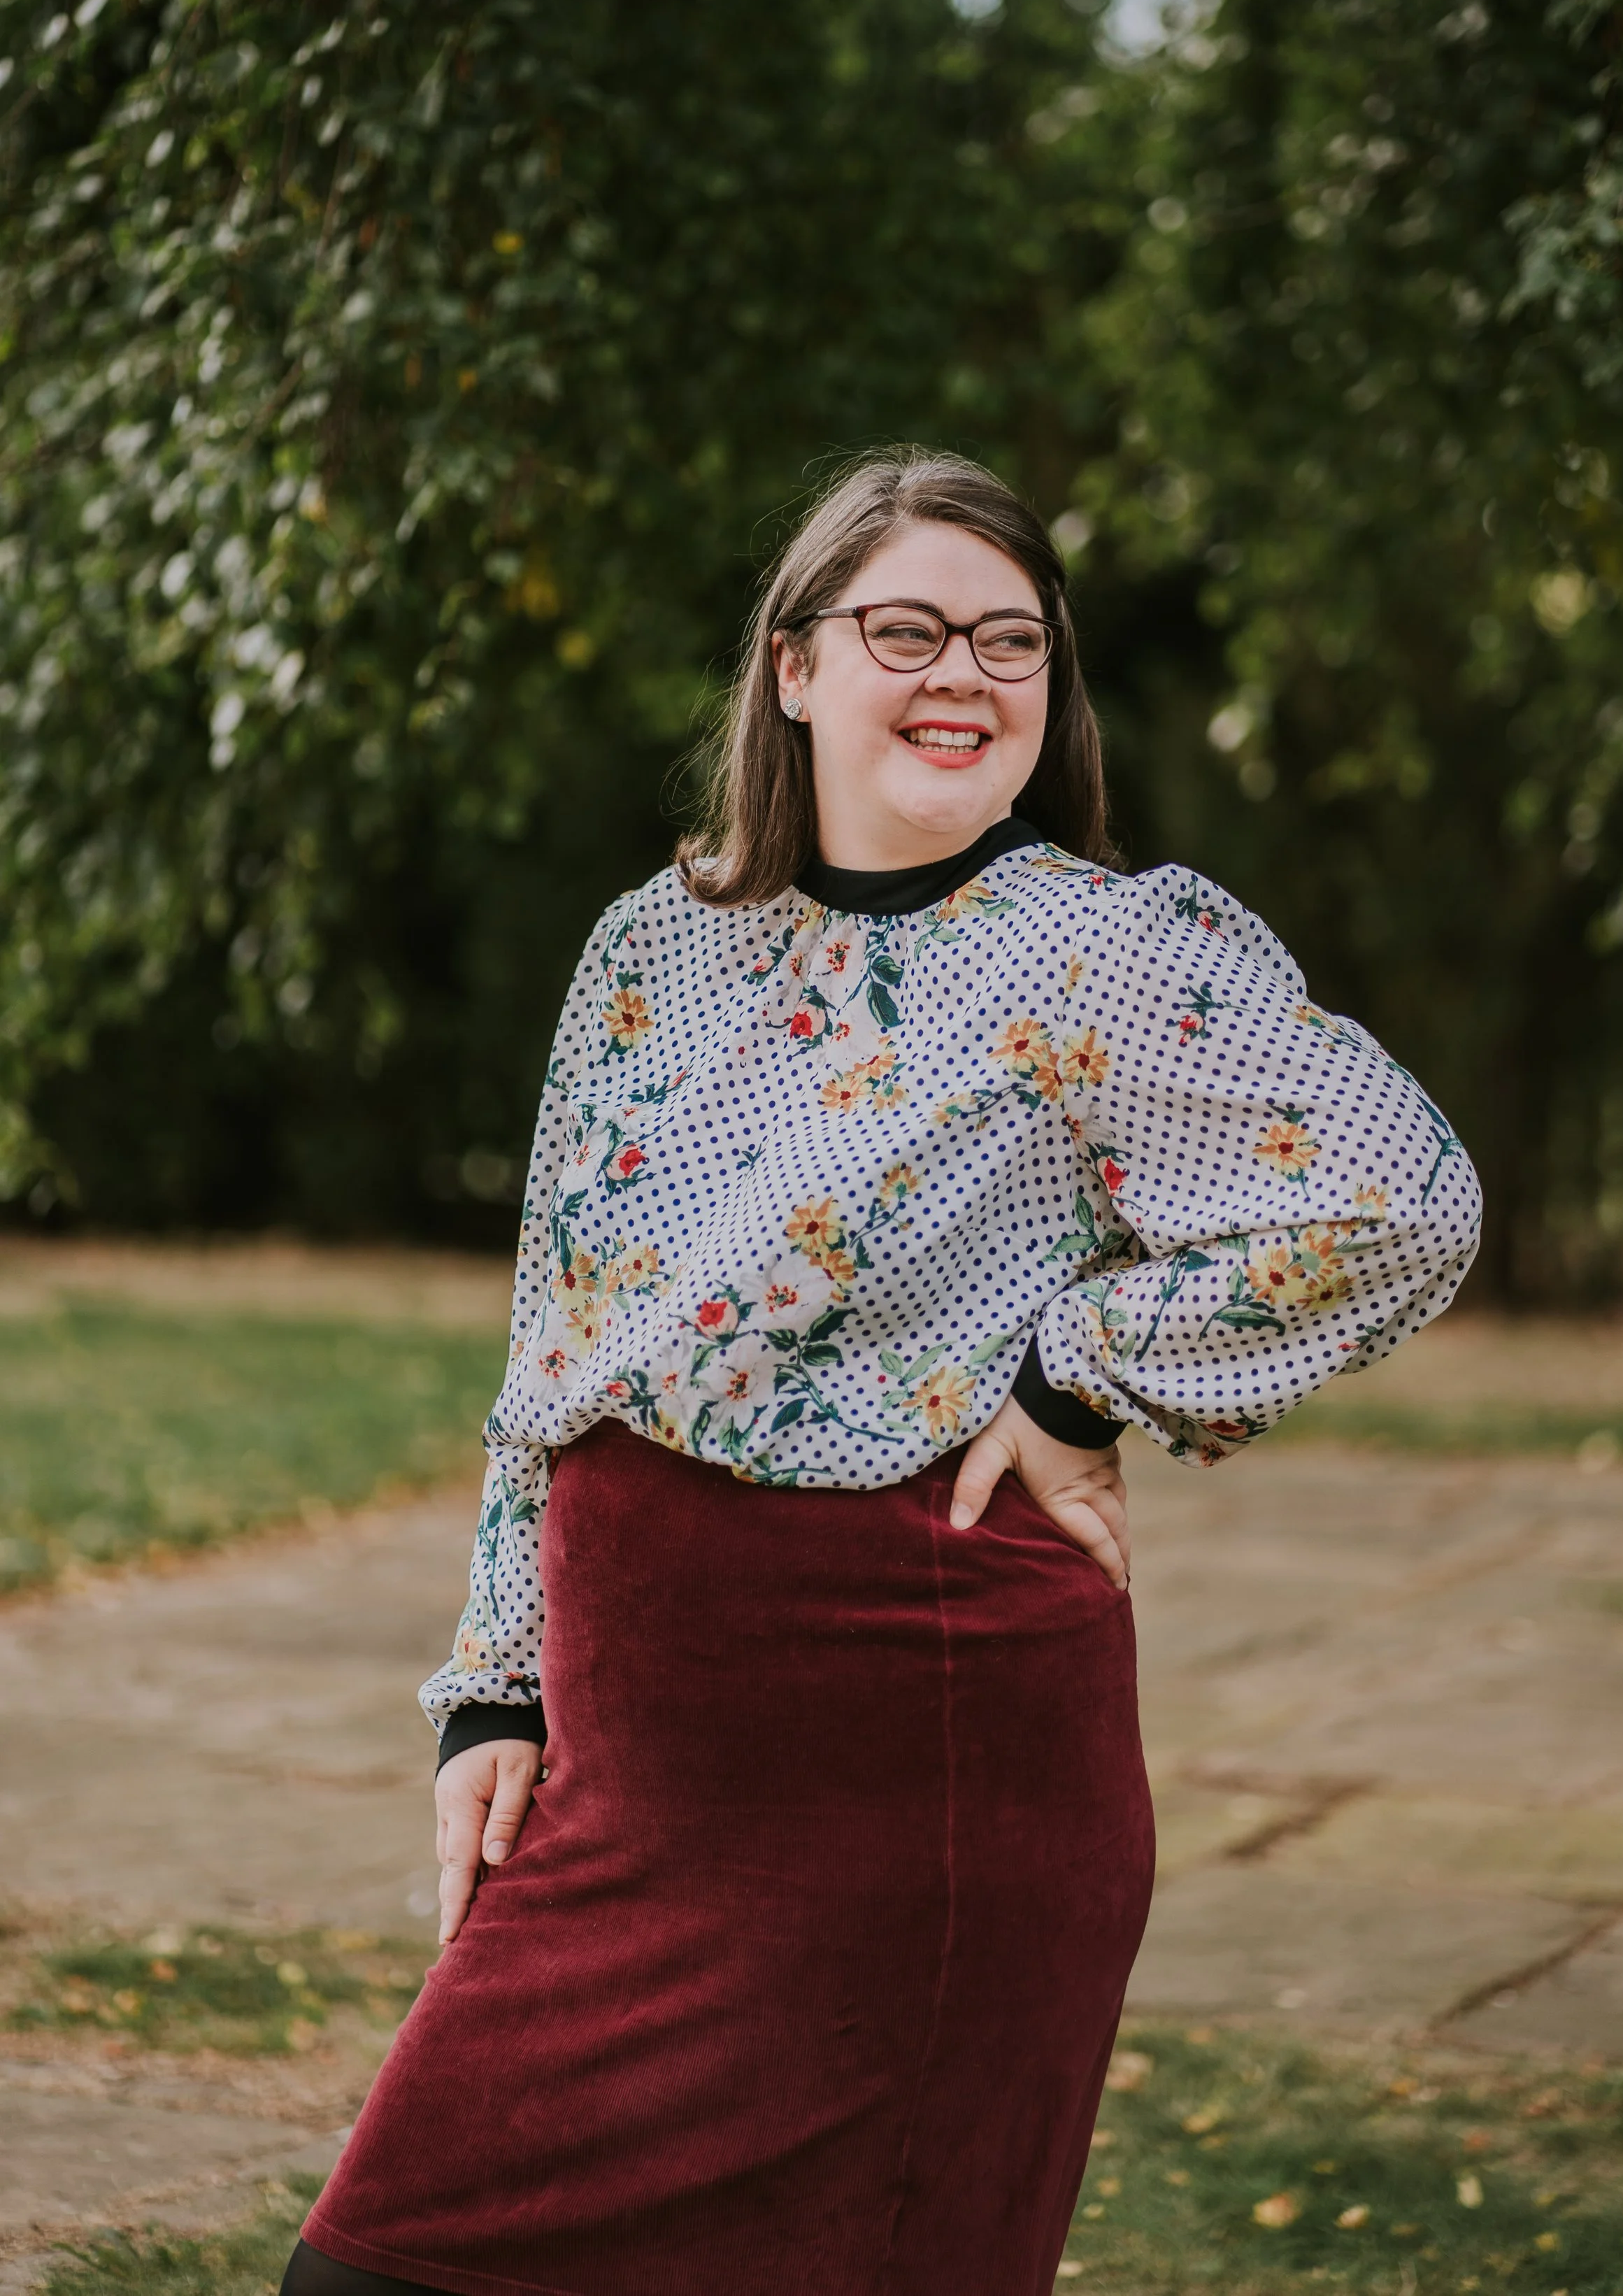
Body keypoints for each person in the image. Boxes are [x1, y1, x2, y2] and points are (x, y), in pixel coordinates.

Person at [286, 450, 1480, 2296]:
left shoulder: (1104, 948)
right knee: (383, 2269)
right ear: (791, 664)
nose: (963, 673)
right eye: (906, 626)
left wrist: (1088, 1374)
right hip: (644, 1773)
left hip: (920, 1756)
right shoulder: (651, 945)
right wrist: (492, 1685)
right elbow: (557, 1338)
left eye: (1011, 641)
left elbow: (1401, 1199)